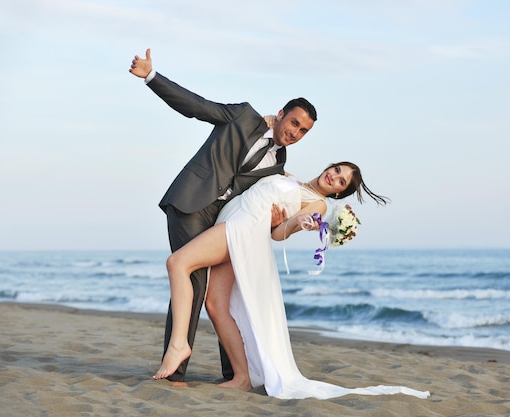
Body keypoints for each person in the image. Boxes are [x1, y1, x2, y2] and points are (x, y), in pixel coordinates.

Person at [152, 162, 431, 400]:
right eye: (336, 170)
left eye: (340, 181)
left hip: (243, 228)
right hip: (234, 220)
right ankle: (241, 377)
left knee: (177, 262)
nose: (333, 177)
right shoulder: (290, 177)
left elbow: (279, 234)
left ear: (338, 192)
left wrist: (299, 224)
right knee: (215, 304)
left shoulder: (318, 204)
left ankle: (180, 343)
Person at [129, 48, 317, 385]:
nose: (295, 132)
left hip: (222, 220)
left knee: (224, 292)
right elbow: (197, 106)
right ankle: (176, 371)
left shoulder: (278, 166)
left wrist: (278, 219)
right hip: (190, 202)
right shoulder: (243, 116)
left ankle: (234, 373)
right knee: (195, 281)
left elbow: (260, 201)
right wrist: (151, 77)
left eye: (303, 131)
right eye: (294, 123)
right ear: (282, 114)